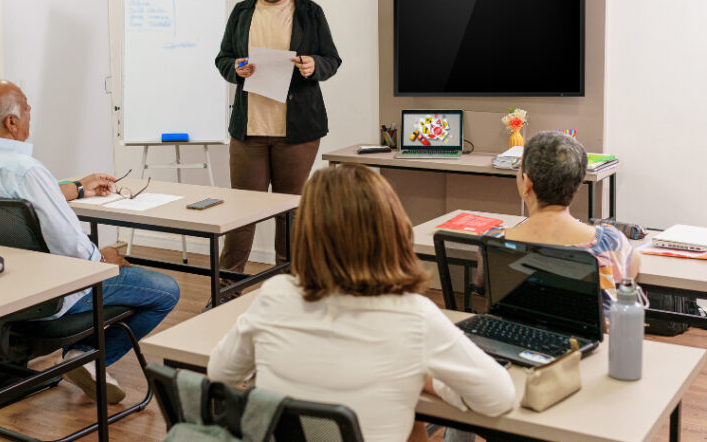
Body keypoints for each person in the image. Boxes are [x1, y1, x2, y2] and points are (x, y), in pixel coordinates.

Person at [206, 164, 515, 442]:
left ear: (308, 233)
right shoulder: (413, 316)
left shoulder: (275, 295)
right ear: (393, 229)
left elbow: (220, 373)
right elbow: (499, 398)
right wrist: (426, 381)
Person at [0, 79, 180, 404]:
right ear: (11, 122)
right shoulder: (28, 171)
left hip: (5, 288)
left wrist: (80, 188)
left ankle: (82, 358)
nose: (31, 112)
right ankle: (84, 356)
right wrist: (104, 260)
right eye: (26, 107)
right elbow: (74, 249)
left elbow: (19, 205)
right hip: (55, 295)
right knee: (166, 291)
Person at [214, 0, 341, 292]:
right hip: (249, 130)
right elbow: (223, 58)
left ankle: (293, 286)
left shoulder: (309, 13)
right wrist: (235, 68)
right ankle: (228, 286)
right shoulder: (241, 13)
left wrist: (312, 65)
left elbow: (331, 59)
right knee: (243, 211)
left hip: (297, 132)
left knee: (291, 212)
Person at [499, 130, 640, 305]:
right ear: (577, 182)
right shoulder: (611, 242)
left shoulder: (497, 242)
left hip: (517, 332)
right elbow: (632, 269)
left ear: (527, 183)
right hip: (587, 333)